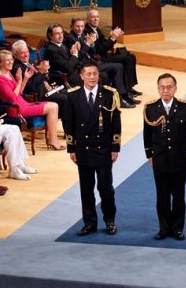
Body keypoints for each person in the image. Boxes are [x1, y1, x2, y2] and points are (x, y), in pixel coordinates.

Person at [64, 61, 122, 237]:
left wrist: (115, 147)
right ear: (81, 76)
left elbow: (116, 123)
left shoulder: (109, 94)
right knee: (86, 189)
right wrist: (71, 149)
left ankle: (110, 220)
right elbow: (69, 124)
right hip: (83, 149)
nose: (92, 77)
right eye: (88, 74)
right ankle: (89, 223)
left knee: (105, 188)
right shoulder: (73, 96)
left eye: (95, 74)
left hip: (103, 148)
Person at [143, 73, 186, 241]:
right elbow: (147, 134)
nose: (165, 91)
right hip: (159, 158)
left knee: (179, 196)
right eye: (162, 87)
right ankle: (164, 228)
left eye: (168, 87)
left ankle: (177, 227)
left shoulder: (185, 107)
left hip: (179, 158)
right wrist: (149, 154)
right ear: (158, 88)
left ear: (175, 88)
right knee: (162, 196)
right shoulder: (150, 108)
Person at [0, 50, 64, 151]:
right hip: (16, 110)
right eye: (7, 60)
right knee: (53, 107)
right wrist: (19, 81)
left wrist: (25, 79)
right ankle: (52, 140)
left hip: (23, 103)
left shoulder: (8, 73)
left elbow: (20, 92)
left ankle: (52, 138)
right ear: (0, 62)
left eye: (11, 59)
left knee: (54, 105)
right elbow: (13, 97)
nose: (11, 62)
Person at [67, 16, 135, 108]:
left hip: (93, 61)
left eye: (82, 26)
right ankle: (120, 97)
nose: (80, 29)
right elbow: (78, 57)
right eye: (77, 26)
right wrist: (87, 44)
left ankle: (122, 95)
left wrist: (92, 43)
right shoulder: (70, 39)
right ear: (71, 27)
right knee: (117, 67)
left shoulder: (83, 35)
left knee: (120, 65)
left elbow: (93, 51)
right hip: (84, 66)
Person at [83, 8, 141, 101]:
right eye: (93, 17)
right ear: (88, 19)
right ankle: (127, 90)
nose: (96, 19)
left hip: (106, 54)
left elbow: (103, 44)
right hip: (101, 58)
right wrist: (113, 38)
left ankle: (129, 86)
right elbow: (99, 49)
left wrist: (112, 36)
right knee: (127, 60)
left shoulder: (96, 28)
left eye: (97, 17)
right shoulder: (87, 31)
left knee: (131, 56)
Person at [11, 40, 68, 118]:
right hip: (39, 96)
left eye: (27, 52)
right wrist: (41, 72)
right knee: (64, 98)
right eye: (22, 53)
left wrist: (45, 72)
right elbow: (31, 87)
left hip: (48, 89)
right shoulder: (17, 68)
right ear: (15, 55)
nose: (26, 55)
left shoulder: (30, 62)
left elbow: (46, 80)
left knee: (69, 93)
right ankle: (66, 122)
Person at [43, 23, 86, 89]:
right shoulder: (51, 50)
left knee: (101, 75)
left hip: (76, 73)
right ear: (50, 36)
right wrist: (74, 54)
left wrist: (75, 51)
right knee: (99, 79)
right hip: (67, 78)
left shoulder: (62, 45)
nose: (61, 36)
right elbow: (67, 67)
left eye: (61, 33)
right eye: (57, 34)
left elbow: (74, 61)